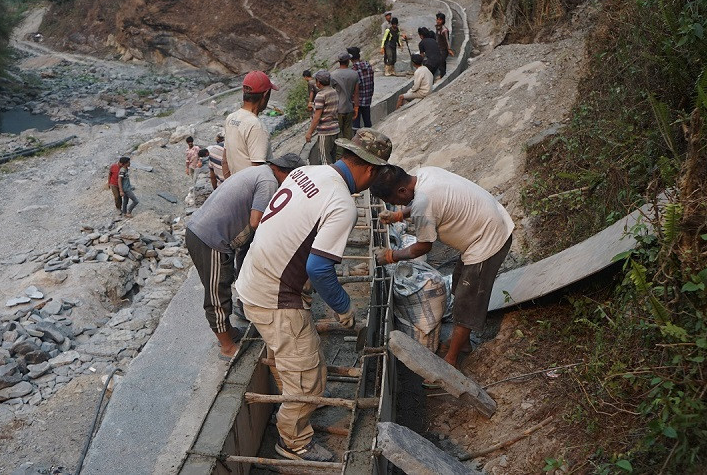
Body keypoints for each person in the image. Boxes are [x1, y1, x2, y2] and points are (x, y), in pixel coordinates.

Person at [238, 129, 394, 463]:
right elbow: (320, 269)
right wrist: (344, 309)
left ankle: (288, 401)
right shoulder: (341, 204)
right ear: (370, 171)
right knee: (311, 378)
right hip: (276, 296)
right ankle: (294, 443)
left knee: (290, 358)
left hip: (253, 277)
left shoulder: (305, 172)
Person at [370, 165, 514, 368]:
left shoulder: (421, 204)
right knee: (458, 286)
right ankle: (462, 344)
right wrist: (399, 216)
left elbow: (422, 247)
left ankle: (451, 360)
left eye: (395, 201)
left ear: (402, 191)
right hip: (487, 221)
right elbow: (430, 204)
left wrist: (391, 256)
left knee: (467, 304)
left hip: (489, 239)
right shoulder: (424, 173)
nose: (397, 205)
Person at [185, 153, 306, 360]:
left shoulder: (259, 172)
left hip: (206, 232)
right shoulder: (268, 181)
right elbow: (256, 221)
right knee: (217, 293)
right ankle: (226, 347)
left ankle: (228, 331)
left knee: (223, 283)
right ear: (283, 172)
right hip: (210, 238)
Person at [223, 71, 277, 178]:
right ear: (265, 94)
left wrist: (230, 185)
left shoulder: (231, 118)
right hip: (251, 192)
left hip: (236, 187)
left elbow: (225, 160)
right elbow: (258, 171)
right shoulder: (256, 126)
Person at [305, 70, 339, 165]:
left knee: (325, 160)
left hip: (325, 131)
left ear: (318, 82)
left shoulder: (321, 95)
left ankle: (330, 179)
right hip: (335, 129)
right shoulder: (334, 92)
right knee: (332, 157)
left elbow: (317, 117)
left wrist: (309, 133)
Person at [330, 53, 359, 141]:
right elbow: (356, 93)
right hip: (349, 108)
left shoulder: (333, 75)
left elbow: (330, 93)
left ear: (339, 62)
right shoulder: (354, 74)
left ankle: (339, 154)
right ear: (348, 61)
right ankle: (348, 154)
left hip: (337, 109)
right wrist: (356, 107)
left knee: (338, 135)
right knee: (348, 134)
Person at [347, 46, 374, 129]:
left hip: (357, 101)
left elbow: (354, 89)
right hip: (367, 99)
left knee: (356, 125)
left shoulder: (353, 70)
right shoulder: (368, 66)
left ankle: (357, 140)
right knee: (367, 122)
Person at [435, 12, 453, 78]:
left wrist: (449, 49)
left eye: (440, 20)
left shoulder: (444, 30)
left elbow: (447, 40)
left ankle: (442, 75)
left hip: (443, 49)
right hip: (438, 48)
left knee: (441, 61)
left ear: (443, 20)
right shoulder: (438, 28)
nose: (438, 21)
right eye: (437, 19)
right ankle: (443, 74)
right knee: (441, 62)